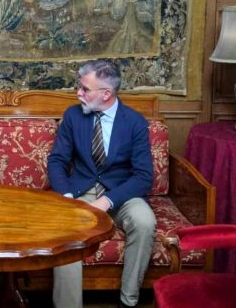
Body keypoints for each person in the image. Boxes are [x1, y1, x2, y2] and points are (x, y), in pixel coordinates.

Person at [48, 60, 155, 308]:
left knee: (144, 221)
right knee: (65, 229)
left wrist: (107, 201)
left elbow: (143, 176)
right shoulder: (73, 116)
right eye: (79, 87)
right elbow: (57, 161)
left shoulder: (135, 122)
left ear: (106, 94)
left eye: (85, 89)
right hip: (80, 192)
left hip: (121, 194)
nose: (78, 93)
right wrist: (67, 197)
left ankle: (128, 301)